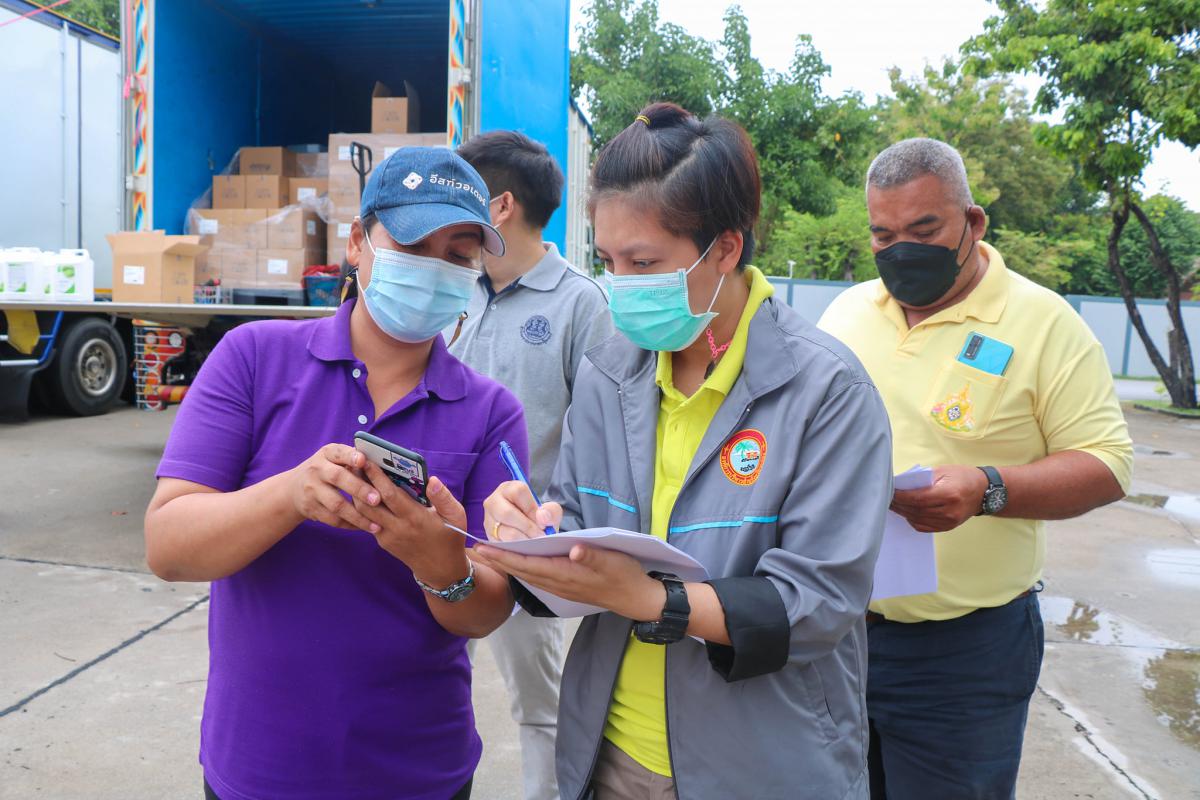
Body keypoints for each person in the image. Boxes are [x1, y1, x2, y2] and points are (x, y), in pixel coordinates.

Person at [475, 103, 894, 800]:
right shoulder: (611, 372)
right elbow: (576, 514)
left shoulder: (827, 391)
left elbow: (819, 602)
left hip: (758, 764)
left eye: (644, 262)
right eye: (607, 261)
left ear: (725, 248)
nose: (621, 284)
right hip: (609, 753)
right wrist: (537, 535)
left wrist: (647, 598)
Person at [144, 147, 527, 800]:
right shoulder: (252, 359)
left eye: (458, 255)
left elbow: (486, 611)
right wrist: (291, 495)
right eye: (413, 244)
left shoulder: (491, 412)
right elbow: (168, 547)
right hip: (262, 766)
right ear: (356, 243)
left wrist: (441, 564)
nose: (434, 269)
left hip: (420, 771)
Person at [817, 137, 1134, 800]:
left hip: (964, 656)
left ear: (973, 222)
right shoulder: (846, 313)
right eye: (883, 235)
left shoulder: (1044, 323)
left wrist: (989, 489)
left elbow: (1107, 463)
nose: (902, 249)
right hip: (837, 635)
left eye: (924, 229)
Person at [451, 130, 613, 800]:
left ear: (501, 206)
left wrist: (560, 531)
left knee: (541, 709)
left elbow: (601, 432)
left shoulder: (580, 303)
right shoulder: (454, 288)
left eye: (462, 197)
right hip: (440, 535)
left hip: (525, 546)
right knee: (424, 676)